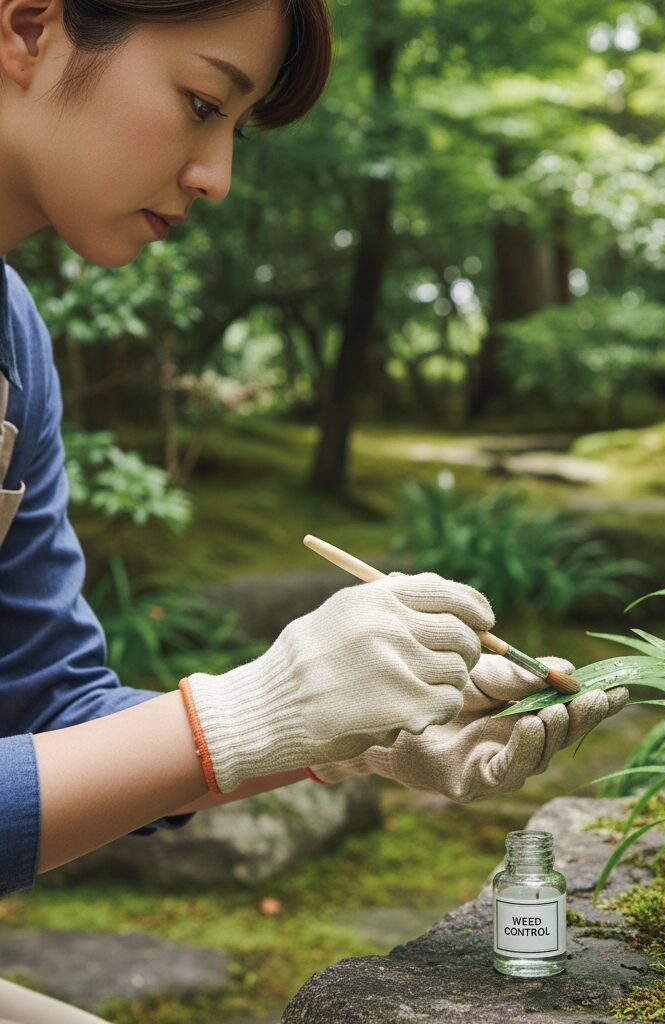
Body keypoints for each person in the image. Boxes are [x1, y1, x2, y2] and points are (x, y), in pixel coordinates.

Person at [0, 1, 629, 1020]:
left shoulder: (12, 344)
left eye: (232, 130)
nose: (216, 176)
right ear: (29, 29)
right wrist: (247, 717)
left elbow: (51, 714)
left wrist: (328, 731)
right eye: (201, 102)